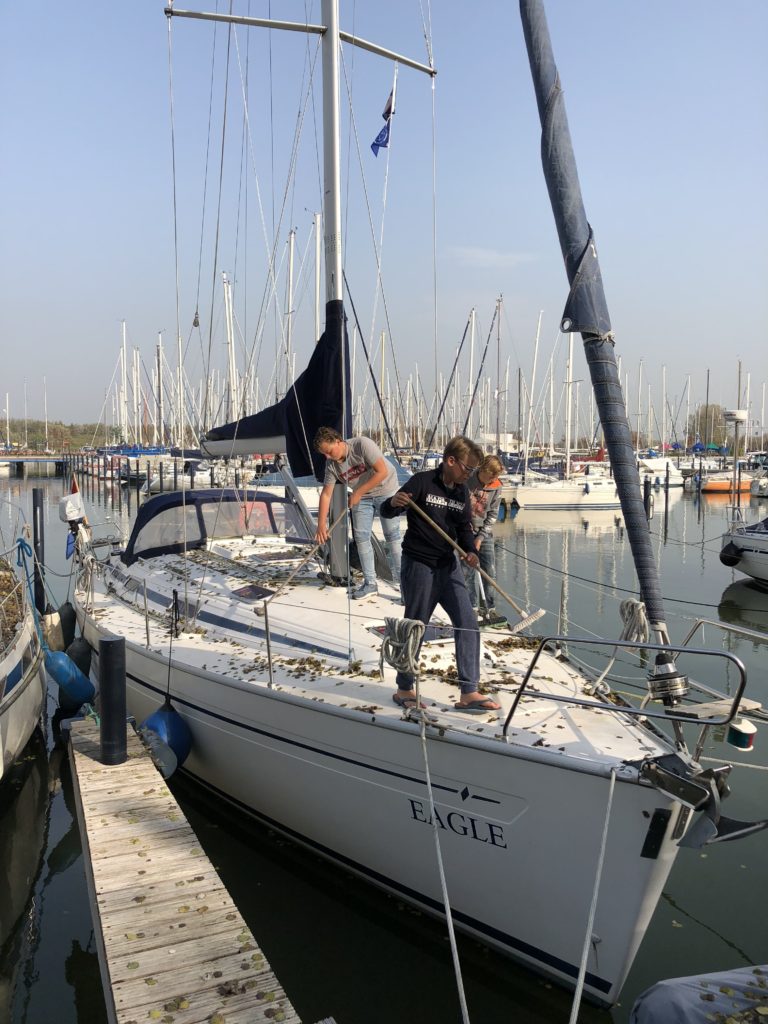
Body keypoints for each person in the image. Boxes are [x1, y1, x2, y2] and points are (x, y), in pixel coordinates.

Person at [381, 436, 502, 714]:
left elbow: (464, 529)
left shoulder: (460, 493)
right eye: (467, 469)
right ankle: (404, 687)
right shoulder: (421, 482)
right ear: (450, 461)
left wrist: (470, 551)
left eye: (472, 471)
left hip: (448, 565)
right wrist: (393, 502)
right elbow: (387, 510)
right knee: (416, 625)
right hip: (420, 564)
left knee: (468, 621)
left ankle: (469, 691)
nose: (469, 475)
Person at [313, 427, 401, 599]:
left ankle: (406, 587)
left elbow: (382, 471)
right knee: (361, 538)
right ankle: (370, 584)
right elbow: (326, 494)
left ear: (338, 441)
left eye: (329, 452)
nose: (328, 457)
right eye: (325, 454)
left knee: (392, 536)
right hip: (362, 496)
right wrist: (321, 525)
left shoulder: (362, 445)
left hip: (386, 489)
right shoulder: (331, 465)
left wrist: (358, 492)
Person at [463, 454, 504, 618]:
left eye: (495, 477)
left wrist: (480, 537)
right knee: (467, 571)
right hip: (465, 529)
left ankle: (489, 608)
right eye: (489, 476)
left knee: (489, 570)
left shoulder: (496, 486)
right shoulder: (467, 480)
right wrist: (466, 532)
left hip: (484, 531)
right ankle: (471, 608)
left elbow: (493, 514)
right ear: (482, 469)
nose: (491, 480)